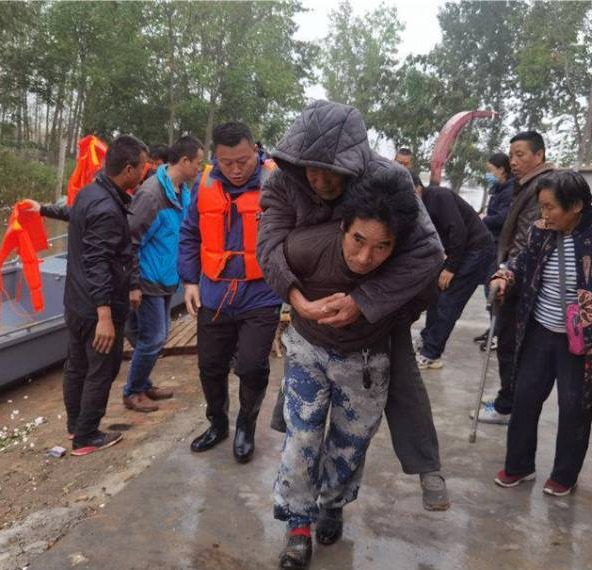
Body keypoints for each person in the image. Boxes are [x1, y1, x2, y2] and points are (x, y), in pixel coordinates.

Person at [258, 100, 450, 511]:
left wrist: (365, 301)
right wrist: (298, 304)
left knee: (376, 410)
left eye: (331, 171)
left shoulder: (390, 180)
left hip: (376, 316)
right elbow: (270, 248)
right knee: (302, 430)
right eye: (308, 166)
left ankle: (421, 466)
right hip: (311, 314)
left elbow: (428, 253)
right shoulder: (284, 183)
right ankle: (296, 514)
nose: (319, 180)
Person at [274, 191, 423, 570]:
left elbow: (420, 298)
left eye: (381, 247)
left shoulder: (407, 267)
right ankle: (298, 524)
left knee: (349, 443)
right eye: (358, 240)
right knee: (303, 436)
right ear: (343, 227)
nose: (364, 257)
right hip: (308, 349)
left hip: (367, 360)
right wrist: (299, 303)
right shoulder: (307, 246)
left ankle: (333, 503)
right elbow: (270, 260)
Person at [490, 170, 592, 496]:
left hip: (584, 340)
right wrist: (503, 278)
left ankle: (565, 475)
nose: (544, 215)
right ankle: (518, 465)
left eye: (551, 208)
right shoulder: (541, 231)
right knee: (524, 399)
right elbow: (521, 264)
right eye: (542, 207)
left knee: (574, 406)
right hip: (539, 329)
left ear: (576, 205)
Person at [23, 135, 149, 456]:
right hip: (97, 308)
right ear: (129, 169)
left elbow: (73, 215)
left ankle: (74, 426)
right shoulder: (108, 208)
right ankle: (87, 435)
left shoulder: (90, 193)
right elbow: (98, 263)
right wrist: (105, 315)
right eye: (143, 167)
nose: (145, 172)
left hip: (76, 301)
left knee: (77, 365)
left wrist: (43, 211)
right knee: (101, 370)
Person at [178, 122, 281, 464]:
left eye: (243, 160)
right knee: (209, 366)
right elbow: (190, 234)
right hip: (215, 292)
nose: (236, 170)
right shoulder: (204, 184)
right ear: (214, 159)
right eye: (227, 162)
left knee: (251, 367)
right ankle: (218, 422)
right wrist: (190, 281)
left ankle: (245, 427)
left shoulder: (276, 182)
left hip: (260, 294)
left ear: (256, 151)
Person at [475, 131, 555, 425]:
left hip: (520, 280)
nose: (514, 161)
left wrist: (507, 274)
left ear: (539, 155)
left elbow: (527, 240)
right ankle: (508, 399)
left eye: (520, 154)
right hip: (515, 274)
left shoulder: (541, 188)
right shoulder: (525, 184)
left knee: (510, 344)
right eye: (511, 155)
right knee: (509, 344)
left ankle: (508, 406)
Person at [123, 135, 204, 412]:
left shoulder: (182, 193)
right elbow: (130, 241)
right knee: (154, 338)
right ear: (184, 161)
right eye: (198, 163)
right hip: (148, 278)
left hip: (167, 277)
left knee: (157, 336)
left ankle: (143, 384)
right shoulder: (152, 194)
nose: (200, 169)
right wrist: (133, 284)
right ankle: (132, 390)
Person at [415, 185, 495, 369]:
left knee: (448, 301)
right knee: (436, 295)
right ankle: (427, 341)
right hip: (459, 252)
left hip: (476, 250)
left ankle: (431, 354)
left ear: (418, 188)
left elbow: (458, 231)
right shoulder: (421, 207)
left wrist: (451, 267)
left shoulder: (438, 196)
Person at [474, 152, 515, 349]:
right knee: (487, 289)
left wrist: (484, 219)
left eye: (491, 170)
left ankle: (497, 334)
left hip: (500, 247)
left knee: (495, 291)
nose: (489, 174)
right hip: (491, 244)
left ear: (501, 169)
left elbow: (503, 218)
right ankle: (493, 329)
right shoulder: (497, 188)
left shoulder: (510, 190)